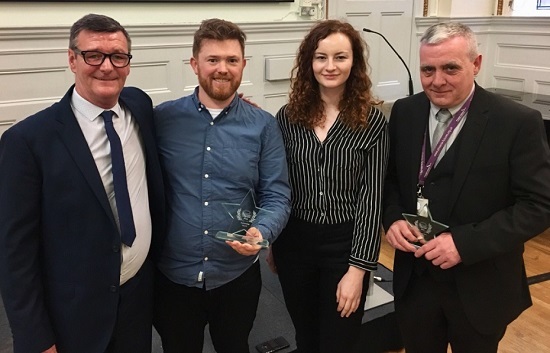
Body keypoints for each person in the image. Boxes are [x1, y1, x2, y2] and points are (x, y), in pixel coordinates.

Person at [0, 14, 165, 353]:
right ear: (72, 59)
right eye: (94, 55)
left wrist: (233, 104)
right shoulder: (28, 141)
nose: (107, 67)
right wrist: (35, 338)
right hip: (72, 313)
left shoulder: (139, 106)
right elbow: (15, 253)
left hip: (137, 298)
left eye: (118, 56)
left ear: (128, 64)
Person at [383, 22, 550, 353]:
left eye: (450, 68)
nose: (437, 80)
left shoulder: (517, 122)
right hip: (414, 282)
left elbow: (539, 205)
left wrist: (464, 243)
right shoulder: (405, 111)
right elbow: (389, 181)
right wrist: (391, 219)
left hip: (481, 287)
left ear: (476, 64)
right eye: (427, 69)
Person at [153, 18, 291, 353]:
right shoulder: (161, 120)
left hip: (235, 276)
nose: (222, 69)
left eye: (231, 60)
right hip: (173, 276)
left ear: (243, 65)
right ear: (194, 64)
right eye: (212, 59)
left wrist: (262, 231)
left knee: (234, 345)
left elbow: (277, 193)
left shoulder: (263, 126)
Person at [270, 20, 389, 353]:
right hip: (294, 243)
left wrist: (359, 270)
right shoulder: (288, 116)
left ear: (355, 63)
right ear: (310, 62)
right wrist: (272, 241)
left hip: (345, 245)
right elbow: (279, 184)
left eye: (340, 57)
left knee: (340, 341)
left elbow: (372, 198)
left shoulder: (371, 121)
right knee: (306, 338)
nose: (330, 66)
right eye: (321, 57)